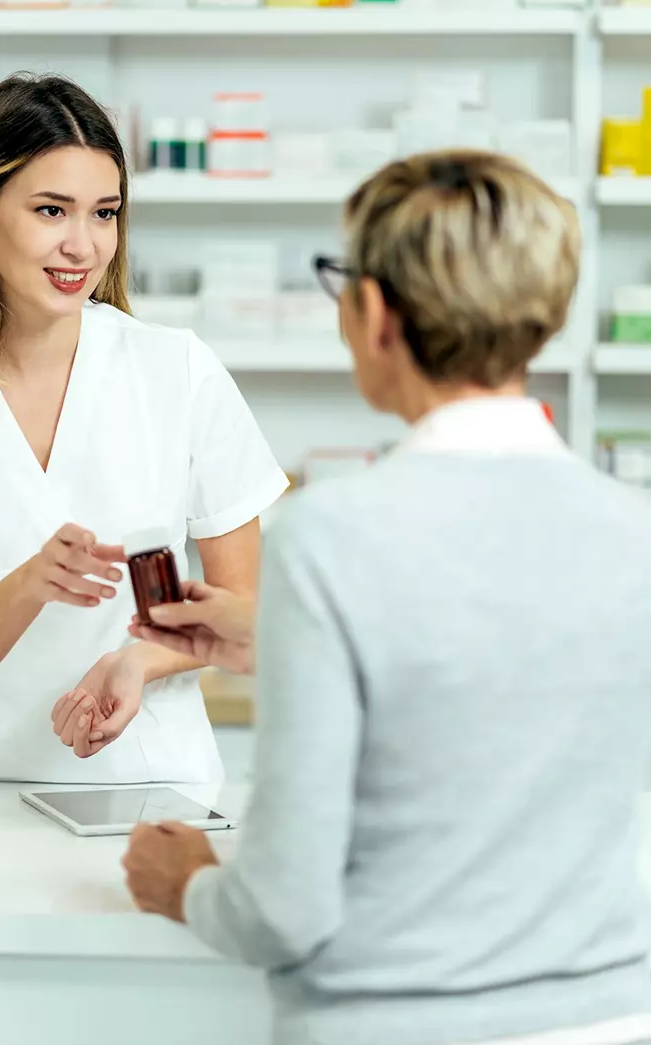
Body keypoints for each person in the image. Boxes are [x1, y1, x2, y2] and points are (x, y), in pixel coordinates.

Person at [122, 151, 651, 1045]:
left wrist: (189, 885)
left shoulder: (333, 539)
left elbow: (283, 907)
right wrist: (278, 637)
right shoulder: (631, 527)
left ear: (373, 314)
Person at [0, 72, 287, 784]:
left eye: (104, 213)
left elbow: (249, 613)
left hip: (147, 775)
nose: (83, 246)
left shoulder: (178, 370)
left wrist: (140, 659)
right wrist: (31, 584)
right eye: (52, 211)